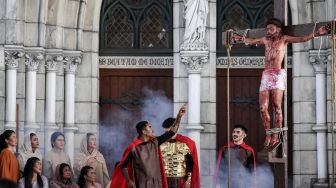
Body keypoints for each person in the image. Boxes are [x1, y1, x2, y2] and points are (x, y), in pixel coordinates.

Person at [233, 18, 329, 150]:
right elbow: (252, 40)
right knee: (263, 107)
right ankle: (268, 133)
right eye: (267, 28)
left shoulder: (284, 39)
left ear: (278, 29)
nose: (268, 31)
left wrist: (316, 33)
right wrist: (240, 39)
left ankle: (276, 135)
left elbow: (301, 39)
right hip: (267, 74)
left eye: (271, 28)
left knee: (277, 106)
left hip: (278, 74)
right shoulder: (265, 40)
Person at [110, 104, 187, 188]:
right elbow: (123, 166)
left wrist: (179, 117)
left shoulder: (155, 142)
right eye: (149, 127)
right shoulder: (134, 148)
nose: (152, 130)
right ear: (144, 131)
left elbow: (172, 132)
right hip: (142, 185)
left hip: (157, 184)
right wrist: (129, 180)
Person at [160, 117, 200, 188]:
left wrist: (189, 180)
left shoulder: (186, 143)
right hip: (163, 180)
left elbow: (190, 164)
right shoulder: (159, 144)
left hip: (181, 180)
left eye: (168, 132)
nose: (167, 135)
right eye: (166, 132)